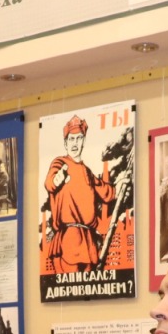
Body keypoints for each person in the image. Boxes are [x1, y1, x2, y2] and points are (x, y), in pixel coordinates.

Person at [43, 115, 126, 273]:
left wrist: (119, 185)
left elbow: (106, 192)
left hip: (88, 240)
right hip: (68, 240)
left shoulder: (87, 171)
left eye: (79, 138)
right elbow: (50, 182)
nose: (75, 143)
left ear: (84, 141)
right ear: (66, 143)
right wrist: (57, 179)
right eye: (71, 139)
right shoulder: (59, 163)